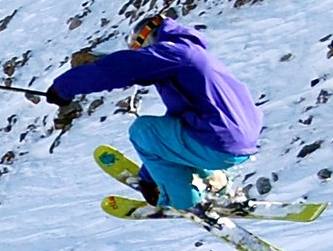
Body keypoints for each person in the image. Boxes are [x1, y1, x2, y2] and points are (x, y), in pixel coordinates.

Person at [43, 14, 263, 209]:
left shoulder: (174, 52)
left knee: (143, 130)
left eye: (137, 46)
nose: (138, 51)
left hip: (216, 142)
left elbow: (117, 68)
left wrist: (64, 88)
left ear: (147, 36)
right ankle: (217, 184)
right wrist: (149, 177)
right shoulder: (193, 55)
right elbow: (175, 132)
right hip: (239, 145)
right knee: (166, 133)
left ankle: (185, 201)